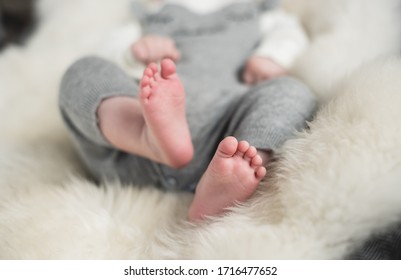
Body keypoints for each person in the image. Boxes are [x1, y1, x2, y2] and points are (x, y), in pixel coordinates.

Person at [59, 0, 316, 221]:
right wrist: (135, 52)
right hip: (132, 143)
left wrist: (272, 56)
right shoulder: (151, 16)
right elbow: (110, 52)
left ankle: (234, 172)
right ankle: (146, 136)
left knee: (291, 91)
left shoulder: (257, 13)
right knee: (83, 71)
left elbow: (289, 34)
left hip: (222, 137)